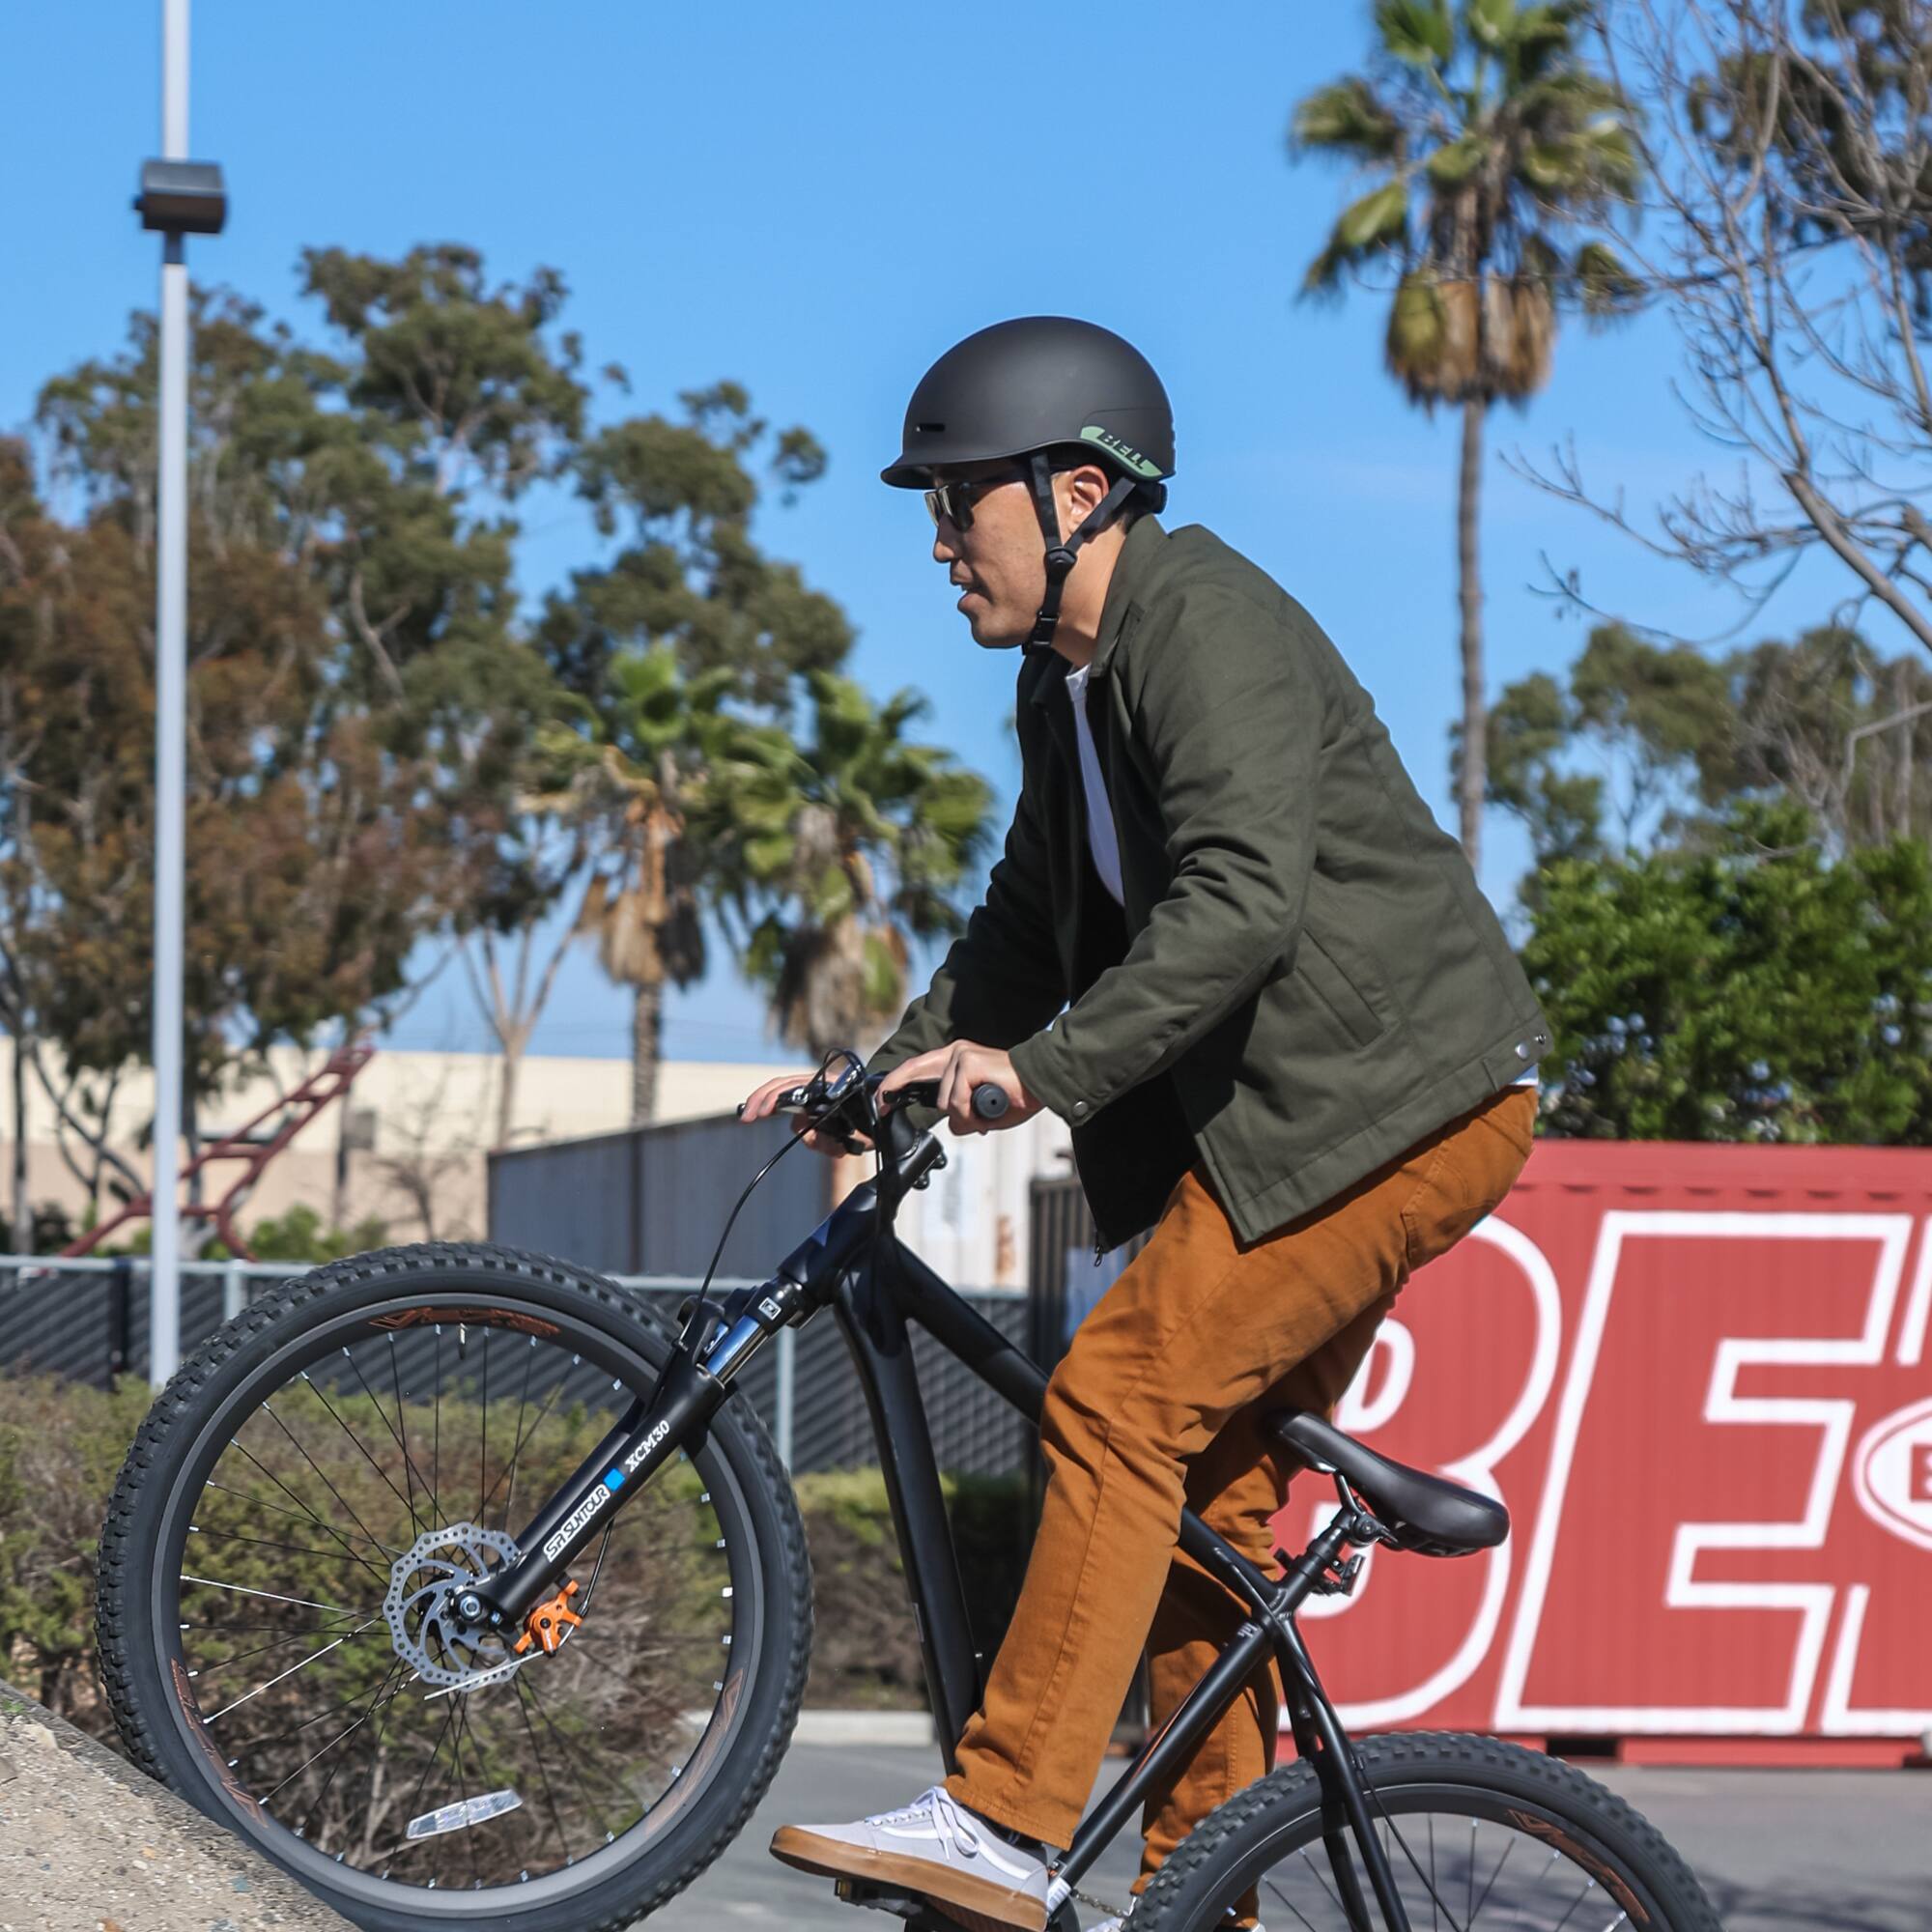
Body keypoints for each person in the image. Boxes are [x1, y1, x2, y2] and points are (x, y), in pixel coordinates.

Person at [737, 316, 1548, 1932]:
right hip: (1293, 1123)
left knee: (1113, 1403)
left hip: (1395, 1107)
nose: (942, 541)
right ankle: (1207, 1897)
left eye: (960, 501)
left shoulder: (1208, 626)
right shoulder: (1067, 686)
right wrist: (881, 1069)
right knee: (1199, 1500)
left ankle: (1007, 1819)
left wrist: (1040, 1076)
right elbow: (1022, 933)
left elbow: (1243, 900)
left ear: (1078, 493)